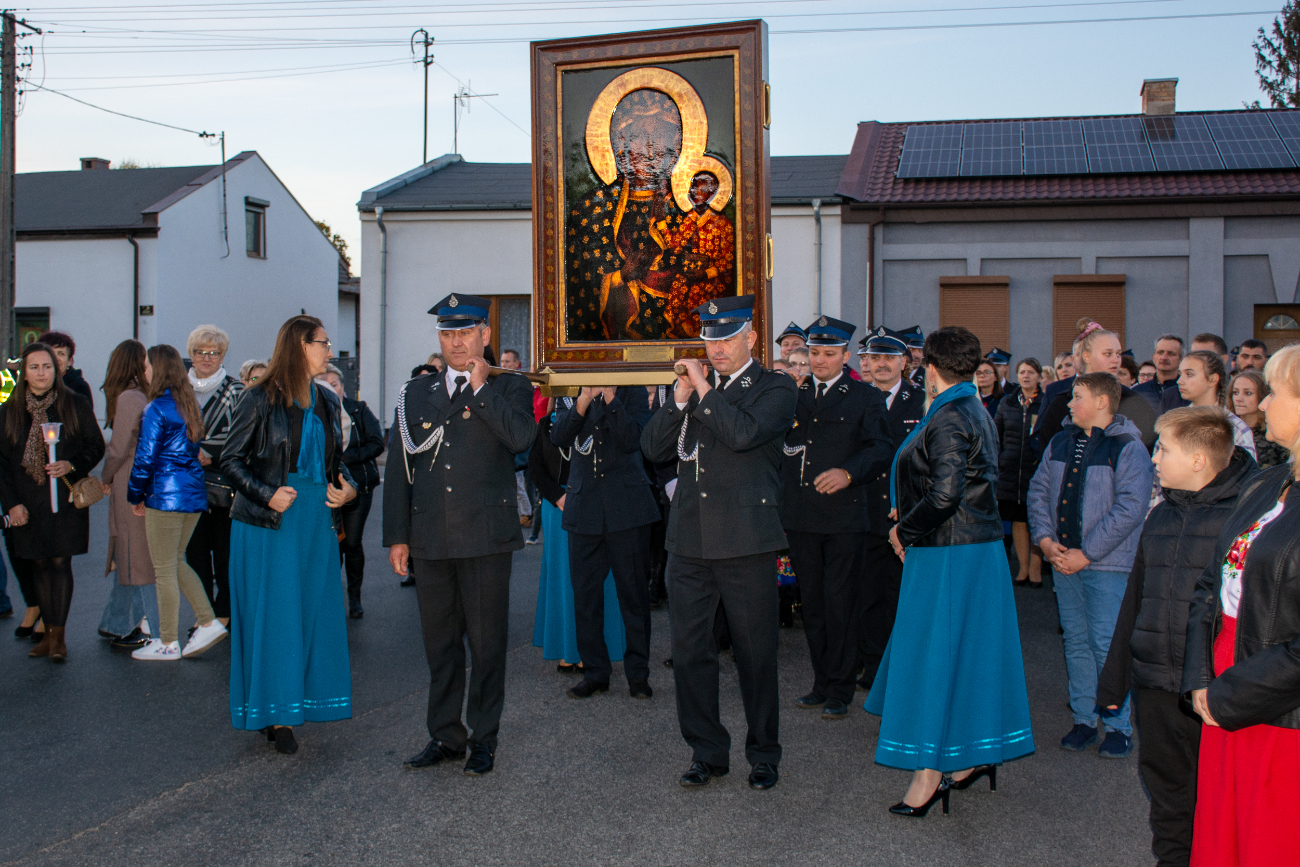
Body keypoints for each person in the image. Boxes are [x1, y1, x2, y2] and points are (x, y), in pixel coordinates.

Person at [866, 325, 1034, 817]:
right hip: (970, 550)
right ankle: (970, 757)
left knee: (933, 659)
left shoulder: (950, 413)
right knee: (966, 655)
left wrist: (903, 530)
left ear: (931, 369)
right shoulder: (970, 406)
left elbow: (945, 495)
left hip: (949, 554)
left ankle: (929, 773)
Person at [641, 294, 797, 791]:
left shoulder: (775, 386)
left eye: (727, 339)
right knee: (690, 654)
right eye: (710, 341)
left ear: (750, 337)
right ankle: (706, 751)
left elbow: (743, 434)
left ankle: (764, 753)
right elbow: (652, 449)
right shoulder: (694, 389)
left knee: (755, 653)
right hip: (689, 539)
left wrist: (703, 389)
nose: (717, 349)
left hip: (746, 540)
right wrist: (679, 399)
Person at [384, 294, 536, 777]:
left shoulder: (509, 386)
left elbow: (522, 439)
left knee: (487, 646)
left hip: (485, 538)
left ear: (484, 336)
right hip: (431, 537)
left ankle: (484, 738)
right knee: (440, 645)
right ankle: (445, 735)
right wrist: (398, 536)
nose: (456, 342)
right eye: (447, 334)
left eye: (465, 333)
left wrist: (480, 387)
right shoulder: (415, 393)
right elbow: (399, 470)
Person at [1096, 406, 1254, 867]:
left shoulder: (1242, 521)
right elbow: (1135, 600)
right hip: (1155, 685)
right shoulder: (1160, 517)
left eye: (1163, 449)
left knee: (1214, 797)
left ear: (1199, 460)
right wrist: (1115, 680)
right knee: (1166, 793)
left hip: (1209, 688)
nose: (1154, 459)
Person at [1182, 343, 1300, 866]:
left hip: (1276, 701)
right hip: (1223, 676)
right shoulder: (1268, 482)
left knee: (1269, 836)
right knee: (1221, 831)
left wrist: (1232, 693)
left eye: (1276, 393)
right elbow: (1211, 581)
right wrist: (1200, 677)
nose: (1263, 403)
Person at [222, 315, 356, 755]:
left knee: (312, 613)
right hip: (271, 523)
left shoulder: (326, 399)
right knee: (276, 618)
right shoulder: (258, 397)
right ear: (300, 346)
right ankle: (276, 714)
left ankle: (303, 700)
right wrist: (266, 494)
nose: (329, 351)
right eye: (323, 343)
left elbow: (337, 460)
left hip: (316, 520)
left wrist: (349, 487)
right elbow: (230, 460)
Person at [1028, 372, 1153, 757]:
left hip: (1107, 565)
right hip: (1063, 561)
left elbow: (1131, 507)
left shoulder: (1128, 447)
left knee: (1106, 644)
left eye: (1077, 396)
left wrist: (1087, 552)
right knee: (1077, 642)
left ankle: (1117, 724)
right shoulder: (1060, 441)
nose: (1069, 403)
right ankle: (1084, 719)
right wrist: (1045, 541)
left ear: (1102, 401)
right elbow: (1038, 491)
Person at [780, 317, 892, 720]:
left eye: (829, 354)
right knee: (811, 604)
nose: (820, 360)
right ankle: (821, 681)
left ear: (846, 356)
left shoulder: (865, 396)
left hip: (844, 517)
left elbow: (881, 448)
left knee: (840, 602)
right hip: (801, 516)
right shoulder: (793, 394)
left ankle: (841, 689)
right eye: (814, 353)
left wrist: (848, 473)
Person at [551, 382, 658, 700]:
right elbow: (558, 437)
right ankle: (595, 672)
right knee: (585, 596)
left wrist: (610, 396)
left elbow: (634, 440)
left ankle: (638, 673)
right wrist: (584, 398)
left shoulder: (631, 391)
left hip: (627, 506)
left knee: (634, 595)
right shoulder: (570, 391)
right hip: (584, 506)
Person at [0, 342, 105, 661]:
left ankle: (57, 637)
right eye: (34, 367)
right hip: (27, 500)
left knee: (59, 563)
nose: (41, 373)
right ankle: (47, 634)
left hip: (63, 498)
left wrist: (71, 465)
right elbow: (2, 464)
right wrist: (11, 504)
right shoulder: (10, 410)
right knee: (39, 564)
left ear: (56, 369)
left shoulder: (73, 403)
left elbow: (95, 445)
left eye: (46, 366)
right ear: (24, 372)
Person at [127, 345, 228, 661]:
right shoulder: (189, 405)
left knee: (164, 569)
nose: (144, 370)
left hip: (164, 495)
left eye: (147, 365)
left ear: (157, 369)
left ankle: (168, 642)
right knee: (176, 561)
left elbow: (145, 458)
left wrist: (135, 495)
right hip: (192, 494)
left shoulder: (156, 408)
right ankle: (207, 621)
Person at [530, 396, 626, 672]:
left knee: (597, 577)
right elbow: (535, 469)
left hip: (595, 504)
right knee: (562, 579)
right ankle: (566, 648)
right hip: (557, 508)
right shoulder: (546, 425)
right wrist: (558, 497)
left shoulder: (600, 419)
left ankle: (596, 649)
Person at [855, 327, 925, 691]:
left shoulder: (923, 401)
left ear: (904, 363)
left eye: (889, 358)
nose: (881, 364)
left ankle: (904, 667)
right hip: (864, 512)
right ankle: (873, 667)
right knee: (866, 596)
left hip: (907, 515)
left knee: (904, 597)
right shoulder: (855, 398)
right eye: (875, 358)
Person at [97, 339, 158, 649]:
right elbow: (120, 447)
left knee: (130, 551)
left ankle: (120, 622)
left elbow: (118, 447)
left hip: (129, 477)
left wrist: (108, 476)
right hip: (134, 477)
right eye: (146, 361)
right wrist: (107, 477)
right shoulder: (135, 396)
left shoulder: (126, 396)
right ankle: (123, 625)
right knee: (133, 552)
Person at [185, 325, 245, 629]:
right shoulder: (179, 391)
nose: (206, 358)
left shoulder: (237, 390)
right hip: (185, 485)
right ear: (191, 354)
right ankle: (204, 615)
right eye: (200, 352)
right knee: (194, 555)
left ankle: (224, 612)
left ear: (223, 356)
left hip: (224, 485)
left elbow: (243, 434)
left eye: (214, 353)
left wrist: (209, 450)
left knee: (225, 554)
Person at [319, 364, 384, 619]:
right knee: (332, 543)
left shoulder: (358, 409)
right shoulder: (314, 411)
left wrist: (344, 458)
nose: (329, 389)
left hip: (359, 485)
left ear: (343, 386)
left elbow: (377, 443)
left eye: (333, 384)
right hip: (328, 488)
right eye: (323, 384)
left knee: (352, 542)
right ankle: (333, 597)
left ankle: (354, 597)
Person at [1036, 322, 1157, 450]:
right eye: (1108, 354)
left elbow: (1147, 449)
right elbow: (1046, 451)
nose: (1116, 360)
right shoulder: (1062, 404)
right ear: (1087, 356)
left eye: (1118, 354)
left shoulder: (1133, 402)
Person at [995, 358, 1045, 587]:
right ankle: (1023, 567)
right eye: (1022, 372)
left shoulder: (1045, 402)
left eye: (1031, 372)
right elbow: (997, 435)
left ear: (1039, 376)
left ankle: (1035, 567)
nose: (1026, 376)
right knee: (1017, 519)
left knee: (1034, 519)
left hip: (1034, 469)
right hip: (1010, 471)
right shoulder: (1007, 402)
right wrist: (1001, 459)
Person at [1177, 350, 1257, 461]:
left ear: (1212, 379)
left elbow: (1247, 470)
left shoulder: (1235, 428)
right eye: (1180, 374)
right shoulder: (1175, 422)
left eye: (1189, 374)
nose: (1179, 381)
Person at [1232, 370, 1290, 469]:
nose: (1239, 398)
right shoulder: (1227, 431)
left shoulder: (1274, 436)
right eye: (1235, 392)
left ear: (1263, 396)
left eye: (1248, 393)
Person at [37, 331, 93, 412]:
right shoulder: (31, 386)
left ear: (69, 361)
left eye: (61, 353)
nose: (56, 358)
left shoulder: (79, 388)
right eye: (51, 353)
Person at [1134, 334, 1186, 412]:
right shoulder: (1138, 392)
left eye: (1171, 353)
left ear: (1181, 360)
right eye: (1160, 352)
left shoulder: (1186, 392)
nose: (1164, 357)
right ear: (1153, 358)